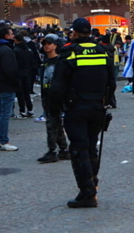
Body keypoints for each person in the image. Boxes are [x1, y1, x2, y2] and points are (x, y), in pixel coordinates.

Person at [49, 18, 116, 208]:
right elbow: (112, 81)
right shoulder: (103, 51)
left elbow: (58, 84)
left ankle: (87, 192)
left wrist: (54, 110)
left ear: (75, 33)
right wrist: (107, 101)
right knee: (92, 147)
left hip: (76, 106)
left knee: (79, 149)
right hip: (97, 106)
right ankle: (92, 183)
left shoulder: (69, 52)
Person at [36, 35, 70, 164]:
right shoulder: (45, 62)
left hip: (56, 96)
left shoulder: (60, 62)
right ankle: (63, 149)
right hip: (47, 95)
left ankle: (52, 151)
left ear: (56, 45)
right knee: (55, 123)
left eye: (49, 43)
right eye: (44, 43)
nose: (46, 46)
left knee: (51, 124)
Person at [0, 26, 20, 152]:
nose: (13, 36)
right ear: (6, 36)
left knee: (0, 114)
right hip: (6, 85)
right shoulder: (7, 51)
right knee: (5, 114)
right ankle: (3, 141)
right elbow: (11, 70)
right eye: (11, 34)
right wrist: (16, 83)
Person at [13, 30, 36, 118]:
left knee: (20, 93)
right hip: (27, 72)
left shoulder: (15, 50)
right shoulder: (28, 49)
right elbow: (32, 61)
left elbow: (14, 63)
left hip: (19, 72)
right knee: (27, 92)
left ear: (16, 40)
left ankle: (22, 111)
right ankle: (30, 109)